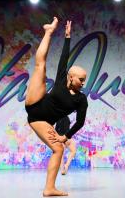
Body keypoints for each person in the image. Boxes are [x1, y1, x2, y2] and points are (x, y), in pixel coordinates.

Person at [25, 17, 88, 197]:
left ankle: (49, 188)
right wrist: (67, 37)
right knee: (40, 66)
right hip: (35, 101)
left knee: (58, 149)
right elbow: (64, 58)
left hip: (39, 119)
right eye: (81, 79)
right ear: (71, 77)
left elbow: (80, 122)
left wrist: (65, 136)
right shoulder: (62, 79)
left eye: (84, 80)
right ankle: (48, 31)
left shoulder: (81, 100)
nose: (83, 83)